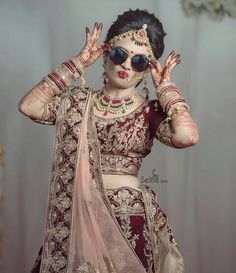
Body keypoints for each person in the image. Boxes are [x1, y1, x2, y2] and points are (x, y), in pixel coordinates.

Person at [19, 9, 199, 273]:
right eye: (119, 54)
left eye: (139, 62)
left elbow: (187, 136)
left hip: (129, 221)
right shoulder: (79, 104)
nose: (126, 65)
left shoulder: (149, 111)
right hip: (78, 217)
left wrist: (166, 90)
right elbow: (30, 106)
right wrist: (77, 63)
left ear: (146, 70)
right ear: (105, 54)